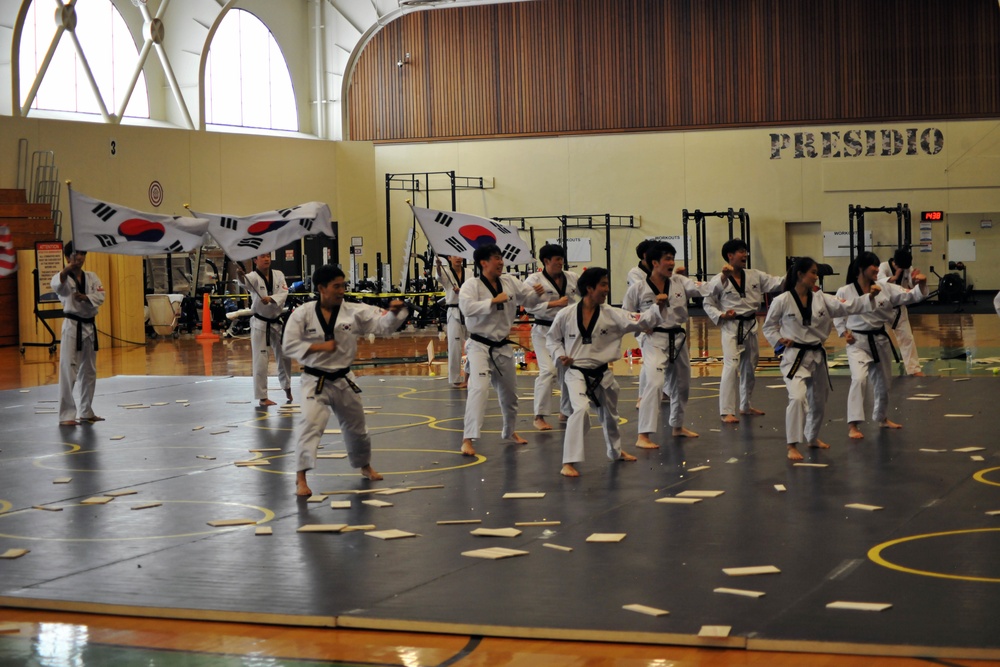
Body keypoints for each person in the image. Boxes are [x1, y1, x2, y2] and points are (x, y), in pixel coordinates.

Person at [283, 265, 408, 496]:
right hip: (315, 379)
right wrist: (319, 347)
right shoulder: (302, 313)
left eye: (343, 285)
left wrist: (394, 312)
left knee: (358, 428)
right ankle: (301, 478)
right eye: (336, 286)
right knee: (310, 424)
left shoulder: (354, 311)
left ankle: (364, 465)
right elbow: (288, 345)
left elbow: (381, 326)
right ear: (321, 288)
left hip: (343, 379)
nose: (342, 290)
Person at [547, 267, 666, 476]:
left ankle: (615, 451)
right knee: (581, 409)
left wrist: (658, 307)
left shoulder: (613, 314)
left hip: (602, 373)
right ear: (589, 288)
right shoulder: (565, 314)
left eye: (607, 284)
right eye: (603, 284)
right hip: (575, 371)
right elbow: (552, 339)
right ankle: (569, 462)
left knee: (610, 416)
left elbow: (641, 320)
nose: (607, 289)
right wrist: (559, 355)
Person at [762, 257, 879, 461]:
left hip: (817, 355)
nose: (816, 277)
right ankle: (792, 445)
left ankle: (812, 437)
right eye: (813, 273)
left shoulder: (822, 298)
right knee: (797, 397)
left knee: (819, 400)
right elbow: (768, 327)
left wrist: (869, 297)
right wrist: (779, 340)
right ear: (800, 274)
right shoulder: (782, 300)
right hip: (794, 357)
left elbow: (848, 307)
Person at [458, 244, 546, 457]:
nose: (501, 262)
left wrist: (536, 294)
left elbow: (529, 300)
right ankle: (468, 439)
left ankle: (509, 432)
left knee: (510, 395)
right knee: (478, 389)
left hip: (503, 345)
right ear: (483, 263)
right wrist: (491, 302)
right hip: (478, 345)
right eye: (496, 258)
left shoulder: (509, 281)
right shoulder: (471, 285)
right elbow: (467, 308)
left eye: (501, 258)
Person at [623, 241, 709, 448]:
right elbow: (626, 314)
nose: (671, 262)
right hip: (653, 338)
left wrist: (724, 278)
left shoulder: (679, 281)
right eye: (667, 259)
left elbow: (705, 288)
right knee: (654, 383)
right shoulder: (639, 288)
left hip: (678, 337)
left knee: (682, 385)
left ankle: (677, 426)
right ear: (655, 262)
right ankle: (643, 435)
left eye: (672, 258)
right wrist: (642, 326)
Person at [835, 252, 927, 439]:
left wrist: (921, 284)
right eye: (873, 266)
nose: (877, 269)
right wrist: (844, 332)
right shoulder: (845, 291)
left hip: (880, 339)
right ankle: (853, 425)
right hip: (857, 342)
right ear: (861, 268)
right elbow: (837, 313)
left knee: (884, 383)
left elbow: (911, 296)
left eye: (878, 265)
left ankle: (882, 417)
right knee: (859, 379)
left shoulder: (885, 288)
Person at [703, 239, 784, 423]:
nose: (745, 254)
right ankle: (726, 411)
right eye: (741, 251)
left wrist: (797, 274)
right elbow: (707, 303)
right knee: (731, 366)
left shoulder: (755, 275)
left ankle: (745, 405)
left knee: (750, 367)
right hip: (731, 327)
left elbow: (777, 282)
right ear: (730, 256)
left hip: (751, 324)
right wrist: (722, 315)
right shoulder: (719, 280)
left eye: (745, 251)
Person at [524, 244, 579, 430]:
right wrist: (553, 303)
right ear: (546, 261)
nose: (560, 263)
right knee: (548, 371)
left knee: (567, 371)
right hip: (543, 330)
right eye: (557, 260)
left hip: (567, 331)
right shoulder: (534, 280)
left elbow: (585, 294)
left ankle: (565, 410)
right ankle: (539, 416)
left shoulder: (571, 278)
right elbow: (527, 307)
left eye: (562, 259)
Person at [52, 241, 106, 426]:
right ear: (68, 257)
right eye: (76, 254)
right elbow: (56, 287)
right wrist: (66, 270)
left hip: (89, 327)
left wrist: (86, 297)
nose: (80, 257)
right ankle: (66, 415)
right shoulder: (63, 278)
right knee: (69, 370)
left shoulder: (92, 277)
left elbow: (101, 296)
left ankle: (86, 411)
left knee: (89, 371)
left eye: (82, 254)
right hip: (72, 326)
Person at [236, 253, 292, 407]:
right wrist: (239, 275)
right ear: (255, 260)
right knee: (261, 360)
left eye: (268, 256)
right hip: (260, 324)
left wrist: (271, 298)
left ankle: (287, 387)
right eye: (262, 257)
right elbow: (244, 283)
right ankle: (262, 397)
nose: (266, 259)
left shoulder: (278, 275)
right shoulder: (253, 277)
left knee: (285, 357)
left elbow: (284, 293)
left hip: (277, 323)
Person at [877, 248, 923, 376]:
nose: (904, 269)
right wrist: (895, 276)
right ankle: (879, 370)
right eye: (901, 267)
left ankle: (914, 369)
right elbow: (880, 284)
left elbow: (911, 287)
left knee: (907, 338)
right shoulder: (883, 267)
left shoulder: (907, 268)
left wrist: (915, 281)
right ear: (895, 263)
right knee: (881, 340)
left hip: (899, 308)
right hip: (883, 309)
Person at [435, 254, 469, 388]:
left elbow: (473, 289)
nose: (458, 258)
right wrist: (438, 266)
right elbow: (439, 277)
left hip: (468, 311)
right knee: (454, 346)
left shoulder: (470, 273)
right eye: (454, 256)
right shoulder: (446, 272)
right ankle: (455, 378)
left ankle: (470, 375)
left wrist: (462, 291)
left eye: (460, 256)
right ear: (449, 258)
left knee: (473, 345)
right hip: (454, 312)